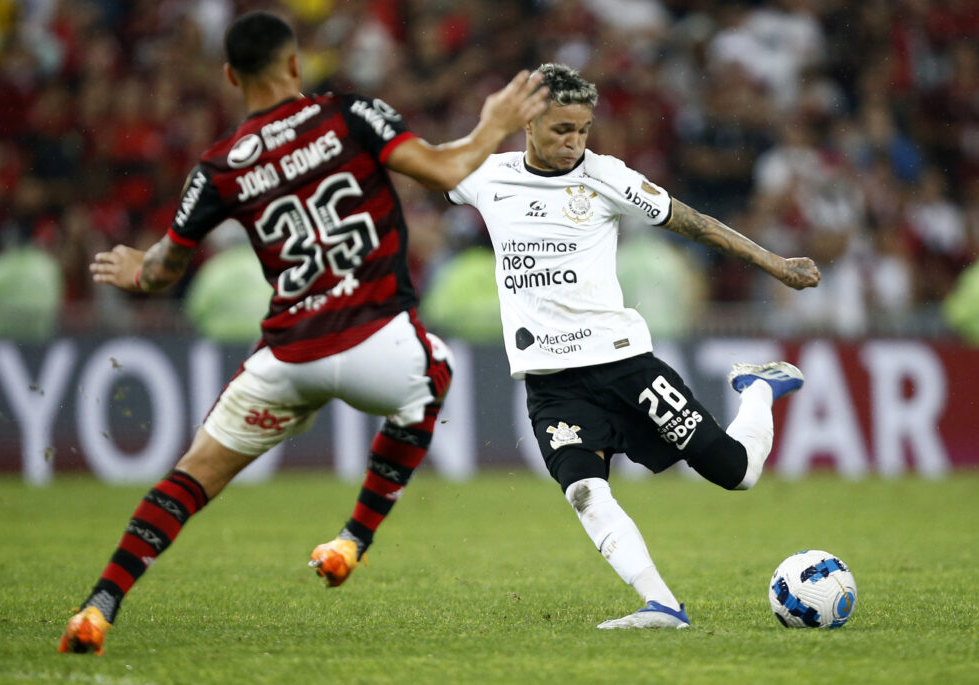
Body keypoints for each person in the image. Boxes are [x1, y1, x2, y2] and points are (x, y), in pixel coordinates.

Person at [58, 11, 548, 655]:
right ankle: (352, 540)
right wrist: (494, 125)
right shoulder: (349, 115)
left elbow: (163, 270)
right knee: (435, 372)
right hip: (377, 340)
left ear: (231, 76)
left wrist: (135, 269)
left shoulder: (219, 166)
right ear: (294, 65)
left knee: (191, 475)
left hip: (288, 356)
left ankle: (100, 605)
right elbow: (444, 170)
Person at [445, 63, 820, 630]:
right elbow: (413, 160)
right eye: (561, 130)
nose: (574, 143)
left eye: (583, 130)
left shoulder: (605, 177)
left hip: (621, 363)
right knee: (584, 491)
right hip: (550, 380)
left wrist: (775, 263)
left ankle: (760, 388)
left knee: (736, 472)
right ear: (527, 123)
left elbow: (695, 224)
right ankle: (663, 605)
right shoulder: (485, 175)